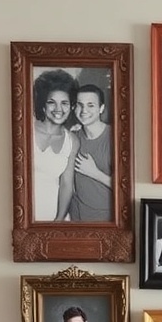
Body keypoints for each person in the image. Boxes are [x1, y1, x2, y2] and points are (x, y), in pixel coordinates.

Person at [32, 69, 80, 221]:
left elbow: (67, 185)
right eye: (51, 102)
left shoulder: (72, 141)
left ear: (72, 106)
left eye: (64, 103)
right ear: (43, 105)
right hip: (23, 214)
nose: (58, 109)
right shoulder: (26, 131)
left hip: (55, 217)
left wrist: (58, 221)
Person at [69, 84, 112, 221]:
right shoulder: (72, 136)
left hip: (104, 220)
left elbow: (127, 188)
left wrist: (94, 172)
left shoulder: (115, 138)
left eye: (90, 105)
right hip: (76, 218)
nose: (84, 110)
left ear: (101, 108)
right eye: (80, 105)